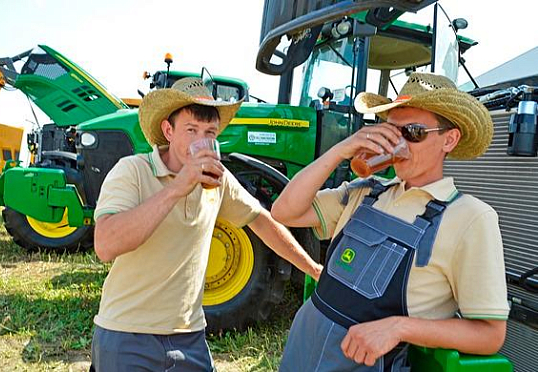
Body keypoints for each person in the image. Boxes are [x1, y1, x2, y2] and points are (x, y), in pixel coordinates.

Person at [271, 72, 510, 371]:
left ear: (449, 139)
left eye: (412, 132)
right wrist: (339, 151)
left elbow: (490, 334)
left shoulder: (471, 218)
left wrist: (399, 327)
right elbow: (284, 212)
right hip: (303, 347)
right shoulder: (365, 192)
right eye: (391, 131)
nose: (398, 143)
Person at [89, 77, 322, 372]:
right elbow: (106, 245)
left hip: (189, 336)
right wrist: (176, 189)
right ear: (168, 130)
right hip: (127, 334)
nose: (201, 140)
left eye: (209, 132)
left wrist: (313, 268)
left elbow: (261, 221)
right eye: (191, 130)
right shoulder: (132, 171)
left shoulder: (217, 180)